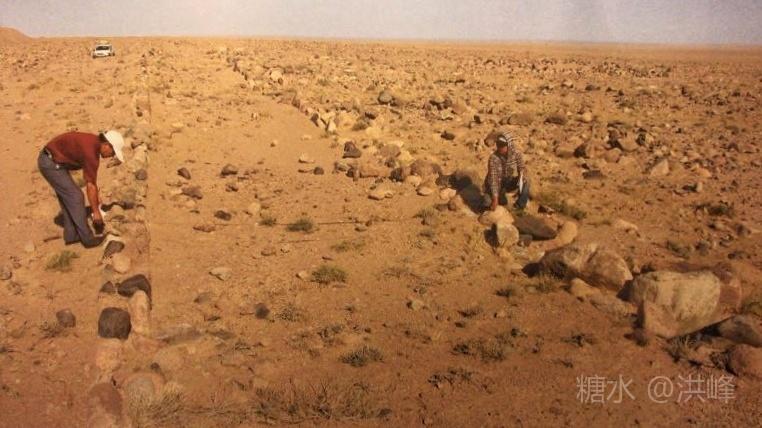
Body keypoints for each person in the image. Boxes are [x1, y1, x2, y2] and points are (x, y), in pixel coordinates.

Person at [38, 130, 124, 248]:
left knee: (68, 197)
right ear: (107, 145)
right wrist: (96, 212)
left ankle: (71, 235)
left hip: (54, 161)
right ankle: (88, 239)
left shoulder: (93, 144)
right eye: (113, 152)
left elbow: (91, 180)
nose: (112, 156)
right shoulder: (90, 152)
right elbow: (90, 185)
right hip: (50, 163)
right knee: (75, 197)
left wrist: (96, 199)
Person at [483, 131, 530, 210]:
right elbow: (493, 181)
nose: (499, 147)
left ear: (509, 145)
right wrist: (495, 199)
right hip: (494, 184)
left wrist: (521, 175)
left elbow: (522, 167)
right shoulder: (493, 158)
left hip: (507, 182)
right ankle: (497, 197)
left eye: (502, 145)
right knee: (487, 204)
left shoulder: (516, 153)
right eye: (498, 144)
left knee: (526, 180)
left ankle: (520, 205)